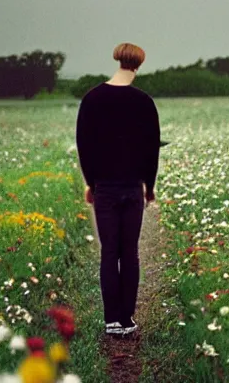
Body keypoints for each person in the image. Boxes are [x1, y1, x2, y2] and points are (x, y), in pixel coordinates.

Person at [75, 42, 161, 336]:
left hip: (105, 189)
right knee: (130, 253)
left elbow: (84, 146)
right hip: (132, 187)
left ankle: (111, 320)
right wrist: (149, 186)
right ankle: (127, 320)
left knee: (109, 252)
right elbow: (152, 150)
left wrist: (90, 183)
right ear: (138, 64)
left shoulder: (92, 99)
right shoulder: (144, 102)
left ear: (118, 60)